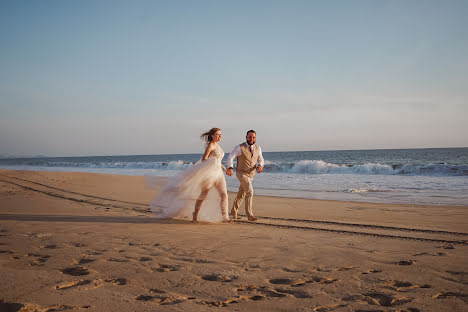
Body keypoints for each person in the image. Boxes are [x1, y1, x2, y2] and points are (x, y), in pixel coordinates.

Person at [149, 128, 231, 223]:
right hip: (209, 174)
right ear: (212, 135)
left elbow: (218, 161)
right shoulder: (211, 146)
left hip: (219, 174)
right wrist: (212, 162)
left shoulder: (218, 146)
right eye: (218, 134)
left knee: (224, 194)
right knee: (203, 196)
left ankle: (225, 217)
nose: (220, 136)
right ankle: (195, 215)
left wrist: (226, 170)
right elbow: (204, 160)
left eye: (220, 134)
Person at [225, 130, 264, 221]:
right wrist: (230, 167)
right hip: (241, 173)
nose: (251, 139)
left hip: (251, 175)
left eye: (253, 137)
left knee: (241, 193)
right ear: (246, 137)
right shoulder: (239, 147)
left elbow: (261, 159)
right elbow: (230, 157)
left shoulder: (258, 148)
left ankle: (234, 211)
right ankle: (249, 215)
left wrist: (260, 166)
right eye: (250, 137)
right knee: (250, 191)